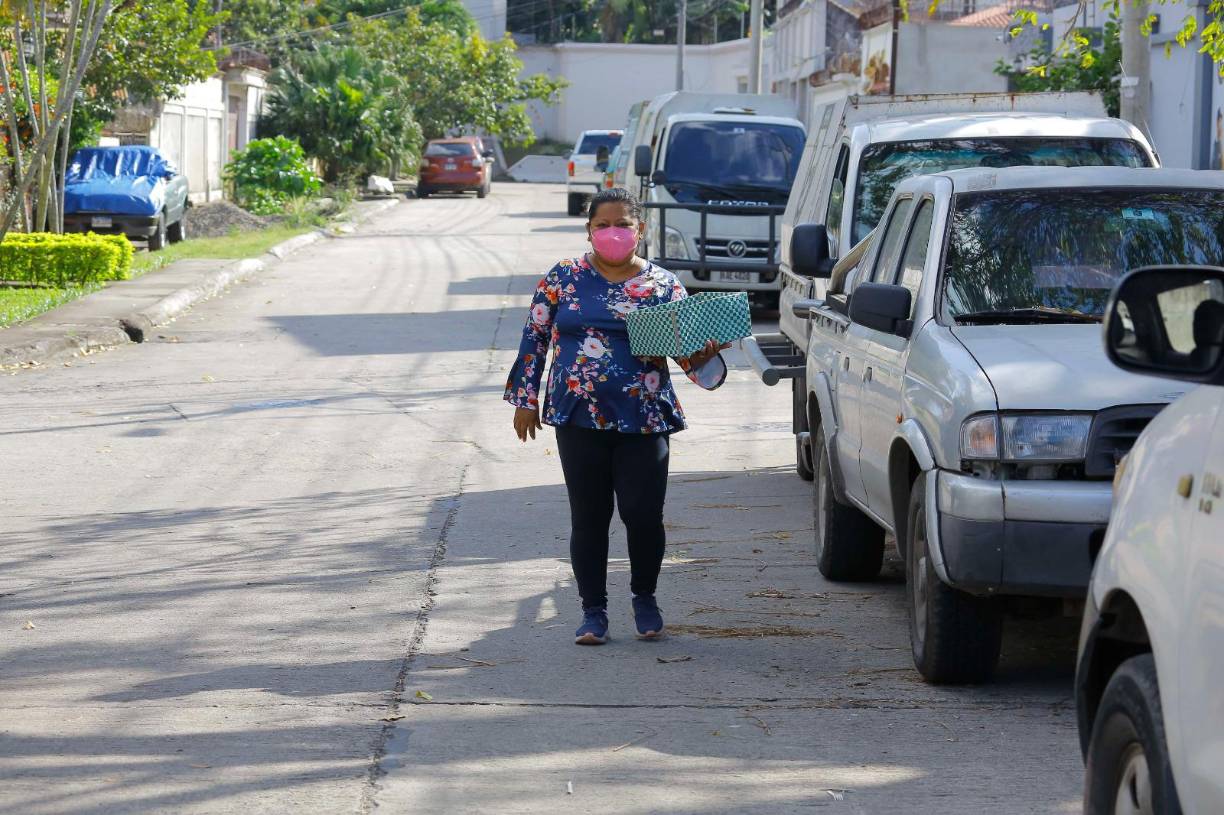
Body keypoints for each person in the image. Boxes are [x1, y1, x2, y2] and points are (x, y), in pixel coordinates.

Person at [504, 187, 729, 645]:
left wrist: (704, 350)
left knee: (643, 515)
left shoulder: (664, 286)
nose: (612, 232)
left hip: (644, 418)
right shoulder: (562, 277)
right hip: (577, 416)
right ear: (589, 230)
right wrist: (526, 399)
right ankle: (593, 612)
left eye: (622, 224)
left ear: (639, 230)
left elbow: (688, 360)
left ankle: (644, 598)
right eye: (602, 225)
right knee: (589, 517)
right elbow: (535, 338)